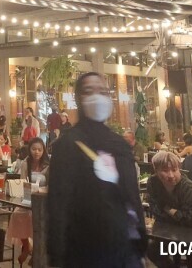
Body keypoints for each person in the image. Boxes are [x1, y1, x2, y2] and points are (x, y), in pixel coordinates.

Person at [47, 72, 146, 268]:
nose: (97, 97)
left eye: (102, 91)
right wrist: (57, 255)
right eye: (88, 91)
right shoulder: (67, 145)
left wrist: (141, 244)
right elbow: (58, 204)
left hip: (123, 250)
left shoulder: (119, 144)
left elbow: (132, 198)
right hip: (83, 252)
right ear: (78, 99)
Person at [147, 151, 192, 268]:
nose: (171, 175)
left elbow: (191, 219)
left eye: (174, 170)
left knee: (191, 249)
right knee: (151, 249)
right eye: (165, 171)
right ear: (156, 171)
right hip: (174, 228)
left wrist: (167, 209)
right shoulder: (153, 182)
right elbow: (154, 208)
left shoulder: (187, 187)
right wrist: (174, 213)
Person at [8, 137, 49, 265]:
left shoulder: (48, 165)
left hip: (43, 200)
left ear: (43, 151)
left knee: (38, 219)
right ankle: (26, 245)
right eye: (34, 149)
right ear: (29, 150)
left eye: (39, 149)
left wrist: (41, 190)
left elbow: (51, 185)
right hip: (28, 197)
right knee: (17, 215)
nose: (36, 152)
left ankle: (37, 249)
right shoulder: (26, 163)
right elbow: (23, 182)